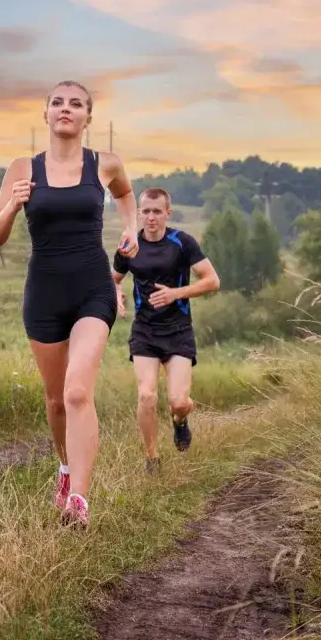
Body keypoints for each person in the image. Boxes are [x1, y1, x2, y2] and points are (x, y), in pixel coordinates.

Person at [0, 80, 139, 529]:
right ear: (46, 114)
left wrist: (130, 228)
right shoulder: (22, 168)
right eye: (57, 103)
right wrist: (13, 207)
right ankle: (66, 468)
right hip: (44, 295)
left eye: (75, 104)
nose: (65, 109)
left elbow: (125, 194)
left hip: (93, 288)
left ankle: (79, 501)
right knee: (56, 402)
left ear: (88, 117)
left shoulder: (105, 164)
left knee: (76, 392)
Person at [111, 187, 219, 471]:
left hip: (178, 330)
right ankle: (152, 459)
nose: (151, 217)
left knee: (179, 402)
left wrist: (176, 293)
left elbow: (212, 280)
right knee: (146, 395)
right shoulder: (130, 245)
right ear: (139, 213)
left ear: (167, 213)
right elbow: (114, 278)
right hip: (144, 330)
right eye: (146, 211)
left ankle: (180, 421)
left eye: (157, 211)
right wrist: (116, 293)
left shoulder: (182, 242)